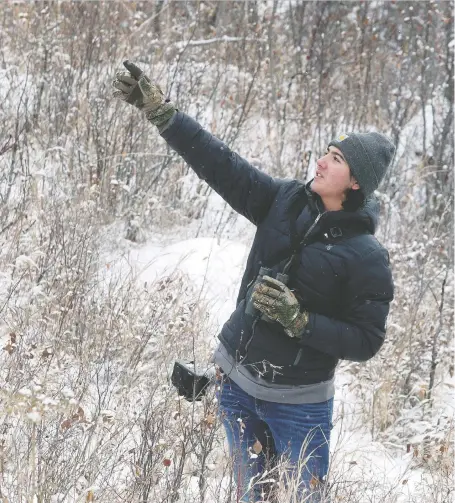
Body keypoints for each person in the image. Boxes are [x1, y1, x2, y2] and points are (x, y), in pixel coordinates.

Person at [113, 61, 395, 502]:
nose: (321, 161)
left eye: (336, 159)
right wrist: (163, 114)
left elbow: (366, 340)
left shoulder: (368, 258)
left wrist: (301, 322)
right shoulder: (283, 201)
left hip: (300, 406)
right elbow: (222, 165)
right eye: (326, 151)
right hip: (237, 387)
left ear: (356, 182)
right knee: (249, 497)